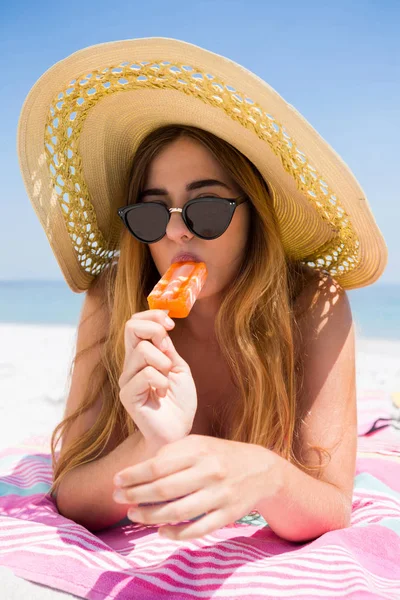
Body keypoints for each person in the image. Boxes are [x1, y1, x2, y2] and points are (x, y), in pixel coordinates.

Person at [17, 37, 387, 542]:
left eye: (206, 209)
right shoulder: (112, 299)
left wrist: (266, 473)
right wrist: (151, 445)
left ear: (254, 215)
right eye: (152, 213)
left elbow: (329, 504)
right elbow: (73, 495)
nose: (175, 233)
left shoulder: (311, 304)